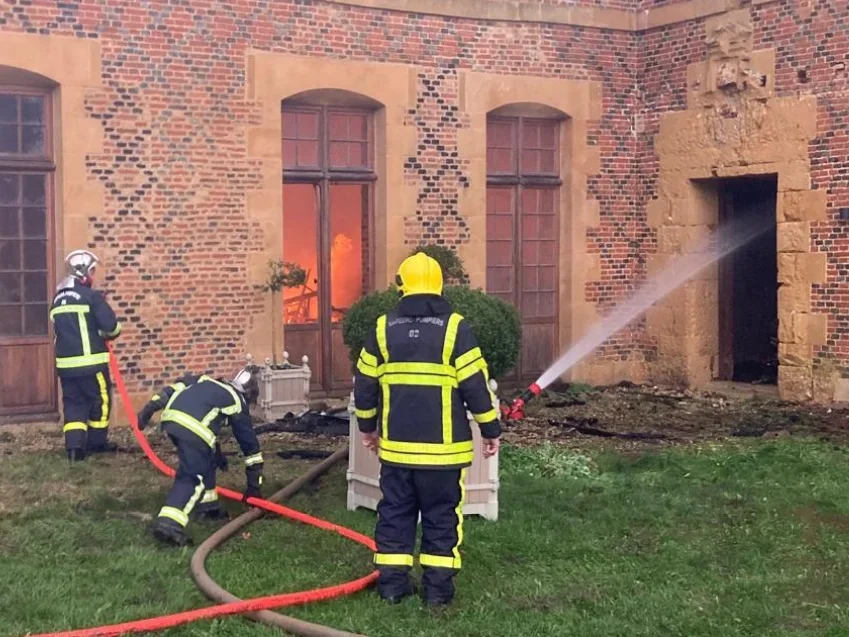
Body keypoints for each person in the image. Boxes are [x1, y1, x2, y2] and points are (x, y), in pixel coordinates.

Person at [353, 252, 502, 607]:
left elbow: (364, 385)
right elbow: (475, 387)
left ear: (401, 285)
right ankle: (437, 594)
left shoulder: (381, 328)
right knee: (441, 518)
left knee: (394, 514)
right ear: (440, 285)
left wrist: (368, 428)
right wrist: (490, 428)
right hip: (444, 454)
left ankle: (391, 588)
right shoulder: (456, 329)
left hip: (397, 453)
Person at [136, 368, 264, 547]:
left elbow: (172, 389)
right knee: (193, 476)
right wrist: (254, 488)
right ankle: (169, 524)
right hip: (194, 429)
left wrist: (149, 409)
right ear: (248, 394)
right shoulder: (237, 401)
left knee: (206, 461)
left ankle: (208, 508)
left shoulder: (206, 381)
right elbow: (250, 447)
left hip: (172, 420)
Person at [50, 250, 122, 462]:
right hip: (92, 363)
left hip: (66, 366)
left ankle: (74, 449)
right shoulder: (90, 297)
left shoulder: (57, 299)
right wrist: (103, 333)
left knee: (73, 403)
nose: (93, 275)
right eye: (92, 270)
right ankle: (97, 444)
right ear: (82, 271)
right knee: (100, 400)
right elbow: (112, 328)